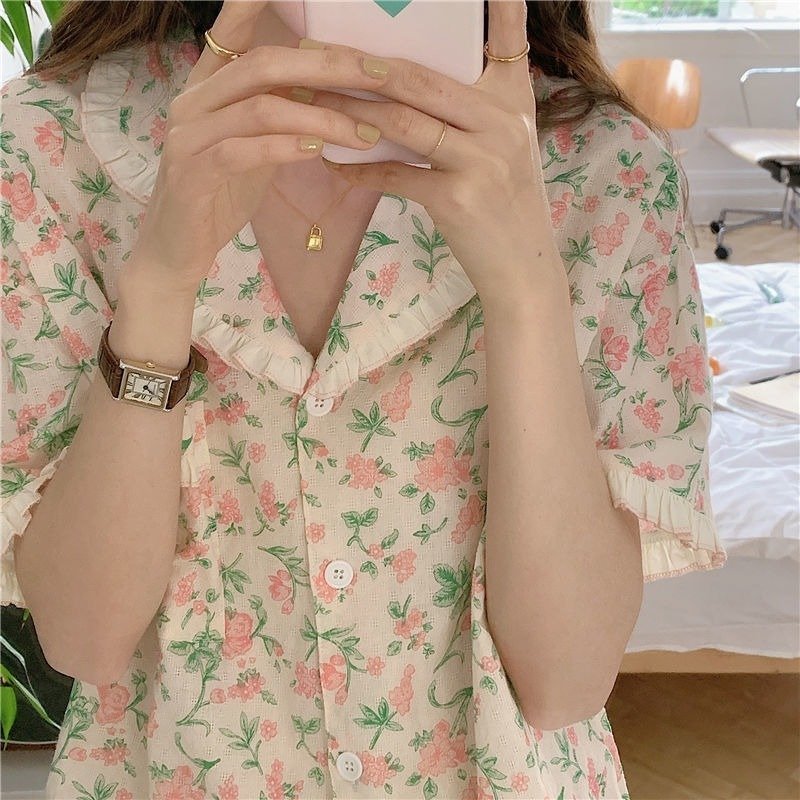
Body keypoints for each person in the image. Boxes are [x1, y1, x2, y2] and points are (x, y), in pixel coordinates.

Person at [1, 1, 727, 798]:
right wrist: (161, 283)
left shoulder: (610, 169)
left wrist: (526, 291)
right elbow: (85, 640)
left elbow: (565, 682)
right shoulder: (48, 146)